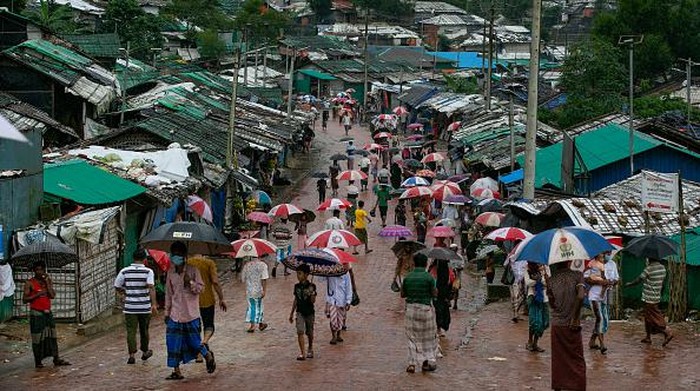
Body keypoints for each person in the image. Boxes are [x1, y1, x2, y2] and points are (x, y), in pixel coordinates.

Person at [164, 242, 215, 380]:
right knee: (173, 342)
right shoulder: (170, 272)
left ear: (184, 256)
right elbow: (169, 294)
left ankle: (207, 355)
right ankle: (176, 371)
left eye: (179, 255)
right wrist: (167, 313)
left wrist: (190, 282)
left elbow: (201, 289)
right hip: (175, 314)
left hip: (191, 314)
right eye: (174, 254)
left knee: (194, 342)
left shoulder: (193, 270)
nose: (176, 257)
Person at [23, 260, 71, 368]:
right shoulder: (29, 283)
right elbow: (25, 299)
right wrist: (38, 294)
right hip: (36, 313)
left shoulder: (47, 282)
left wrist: (48, 284)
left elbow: (52, 295)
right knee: (38, 338)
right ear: (34, 271)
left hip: (47, 313)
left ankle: (56, 358)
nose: (40, 272)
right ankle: (38, 361)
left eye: (41, 269)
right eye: (37, 270)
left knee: (52, 336)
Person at [114, 249, 158, 364]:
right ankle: (144, 352)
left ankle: (131, 355)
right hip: (144, 306)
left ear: (133, 258)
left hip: (130, 307)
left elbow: (117, 285)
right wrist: (154, 304)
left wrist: (125, 292)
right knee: (144, 330)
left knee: (131, 331)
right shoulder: (148, 271)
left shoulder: (124, 271)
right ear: (144, 259)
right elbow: (151, 287)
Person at [547, 261, 586, 391]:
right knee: (577, 358)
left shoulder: (551, 280)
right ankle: (579, 387)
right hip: (572, 324)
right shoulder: (578, 276)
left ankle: (559, 386)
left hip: (558, 324)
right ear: (569, 261)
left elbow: (552, 304)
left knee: (558, 359)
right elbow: (581, 296)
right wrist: (575, 317)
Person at [401, 253, 438, 373]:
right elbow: (434, 294)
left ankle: (412, 363)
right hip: (426, 309)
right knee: (426, 338)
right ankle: (425, 362)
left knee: (412, 337)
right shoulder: (429, 278)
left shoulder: (408, 277)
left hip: (411, 309)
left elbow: (403, 294)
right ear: (425, 263)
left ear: (414, 263)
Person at [187, 254, 227, 362]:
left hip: (191, 301)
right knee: (209, 325)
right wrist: (221, 298)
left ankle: (199, 354)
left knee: (196, 327)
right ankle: (204, 343)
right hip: (207, 299)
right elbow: (215, 281)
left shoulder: (187, 263)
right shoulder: (209, 263)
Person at [625, 258, 673, 346]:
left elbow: (639, 279)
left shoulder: (649, 268)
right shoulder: (662, 268)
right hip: (656, 296)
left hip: (649, 297)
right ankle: (648, 337)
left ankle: (667, 331)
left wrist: (629, 284)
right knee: (647, 317)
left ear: (650, 258)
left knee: (655, 317)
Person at [584, 252, 612, 353]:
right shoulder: (591, 265)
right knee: (599, 318)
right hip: (594, 296)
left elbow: (610, 280)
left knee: (604, 320)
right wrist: (599, 282)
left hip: (603, 296)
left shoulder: (607, 265)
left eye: (603, 255)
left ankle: (592, 341)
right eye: (601, 255)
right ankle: (602, 344)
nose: (603, 257)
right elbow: (586, 278)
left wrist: (608, 282)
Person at [289, 264, 317, 360]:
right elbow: (296, 299)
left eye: (300, 274)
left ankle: (310, 347)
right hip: (300, 311)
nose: (298, 276)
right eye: (297, 273)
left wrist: (312, 293)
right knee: (300, 331)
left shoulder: (312, 286)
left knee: (309, 332)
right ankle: (302, 352)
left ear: (306, 274)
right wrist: (292, 313)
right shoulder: (296, 286)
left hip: (309, 312)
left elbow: (313, 301)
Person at [524, 262, 549, 353]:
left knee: (544, 322)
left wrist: (542, 278)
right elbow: (528, 283)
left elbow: (547, 282)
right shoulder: (527, 269)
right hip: (533, 297)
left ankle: (535, 342)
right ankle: (530, 341)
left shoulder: (545, 268)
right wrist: (539, 281)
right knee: (534, 321)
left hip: (544, 298)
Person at [324, 265, 353, 344]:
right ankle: (333, 335)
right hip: (331, 299)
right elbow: (322, 279)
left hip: (341, 299)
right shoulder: (330, 272)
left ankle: (339, 334)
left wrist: (348, 301)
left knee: (340, 318)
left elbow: (348, 287)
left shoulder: (345, 273)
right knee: (332, 318)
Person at [241, 256, 270, 332]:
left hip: (249, 290)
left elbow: (243, 278)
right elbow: (264, 279)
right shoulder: (263, 265)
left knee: (251, 306)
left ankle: (253, 325)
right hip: (258, 289)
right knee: (259, 306)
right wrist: (264, 290)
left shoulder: (246, 265)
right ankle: (259, 324)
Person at [428, 258, 455, 337]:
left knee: (441, 310)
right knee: (440, 310)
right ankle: (440, 327)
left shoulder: (446, 269)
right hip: (439, 293)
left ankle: (441, 327)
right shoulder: (434, 269)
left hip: (443, 292)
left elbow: (451, 279)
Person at [448, 244, 464, 310]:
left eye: (455, 249)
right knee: (449, 289)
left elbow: (462, 266)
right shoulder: (448, 257)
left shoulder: (460, 257)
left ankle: (455, 303)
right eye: (452, 249)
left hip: (457, 277)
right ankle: (449, 301)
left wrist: (458, 268)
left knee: (456, 290)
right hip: (449, 277)